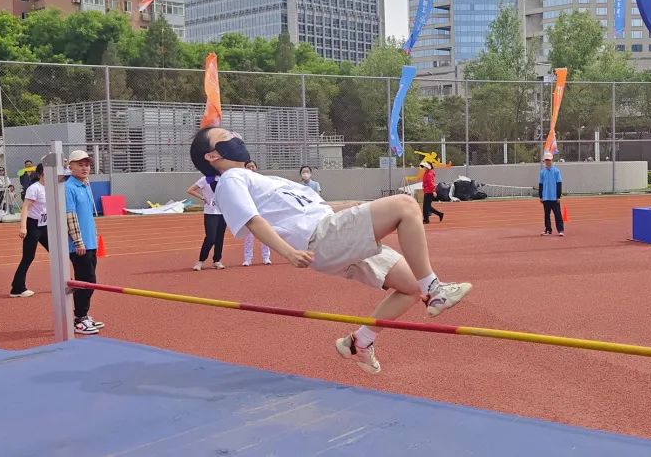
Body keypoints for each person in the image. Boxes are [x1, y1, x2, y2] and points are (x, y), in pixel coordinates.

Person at [191, 126, 471, 375]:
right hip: (323, 237)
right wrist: (288, 253)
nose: (235, 137)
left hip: (330, 233)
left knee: (410, 288)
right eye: (225, 136)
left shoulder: (260, 179)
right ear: (212, 155)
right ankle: (435, 290)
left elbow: (315, 208)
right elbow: (253, 221)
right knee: (406, 205)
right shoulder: (231, 179)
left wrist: (352, 205)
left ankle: (359, 342)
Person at [65, 150, 104, 335]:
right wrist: (78, 242)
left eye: (87, 164)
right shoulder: (69, 188)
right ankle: (79, 318)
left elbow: (87, 216)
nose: (85, 168)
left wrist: (93, 237)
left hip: (90, 242)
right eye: (80, 164)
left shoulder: (85, 185)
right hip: (80, 246)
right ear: (70, 166)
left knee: (89, 281)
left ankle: (83, 315)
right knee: (86, 281)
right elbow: (70, 217)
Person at [10, 169, 49, 298]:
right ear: (41, 175)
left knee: (57, 253)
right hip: (33, 226)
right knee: (28, 257)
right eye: (47, 173)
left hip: (44, 225)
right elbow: (25, 207)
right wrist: (23, 227)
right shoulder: (34, 188)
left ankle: (63, 281)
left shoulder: (51, 188)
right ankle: (17, 288)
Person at [187, 168, 226, 271]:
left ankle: (217, 261)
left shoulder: (224, 179)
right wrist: (203, 197)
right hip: (210, 212)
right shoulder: (206, 179)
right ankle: (200, 261)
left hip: (222, 212)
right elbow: (190, 190)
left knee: (219, 238)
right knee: (210, 238)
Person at [240, 160, 271, 266]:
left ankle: (266, 257)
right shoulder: (242, 182)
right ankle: (248, 259)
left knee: (265, 234)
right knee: (248, 237)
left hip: (261, 210)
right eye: (248, 167)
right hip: (249, 211)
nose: (251, 169)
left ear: (256, 168)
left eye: (252, 166)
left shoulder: (261, 180)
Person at [538, 152, 565, 236]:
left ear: (551, 160)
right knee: (546, 215)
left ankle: (560, 230)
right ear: (544, 161)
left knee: (557, 214)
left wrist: (558, 196)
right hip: (546, 197)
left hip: (554, 197)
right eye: (546, 160)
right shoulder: (542, 172)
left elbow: (559, 184)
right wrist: (541, 196)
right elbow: (541, 184)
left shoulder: (556, 171)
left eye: (549, 160)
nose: (547, 161)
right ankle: (548, 230)